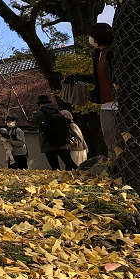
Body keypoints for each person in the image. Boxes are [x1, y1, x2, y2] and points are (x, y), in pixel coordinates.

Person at [63, 22, 117, 158]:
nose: (90, 38)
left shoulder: (113, 52)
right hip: (105, 102)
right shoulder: (98, 54)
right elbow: (98, 78)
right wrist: (78, 77)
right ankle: (114, 161)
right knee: (109, 136)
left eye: (92, 35)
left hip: (118, 99)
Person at [32, 95, 78, 170]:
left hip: (47, 143)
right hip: (62, 142)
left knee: (55, 167)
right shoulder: (58, 112)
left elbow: (34, 125)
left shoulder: (39, 113)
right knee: (69, 163)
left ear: (40, 104)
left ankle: (58, 177)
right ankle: (80, 173)